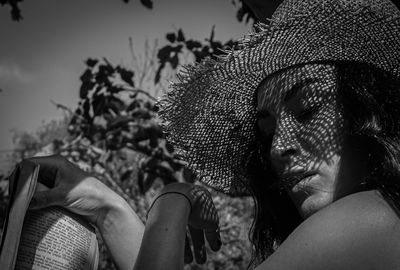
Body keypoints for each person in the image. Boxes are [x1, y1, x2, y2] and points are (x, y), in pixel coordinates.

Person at [25, 0, 400, 269]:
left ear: (367, 111)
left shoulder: (371, 215)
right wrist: (110, 209)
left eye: (308, 109)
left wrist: (172, 198)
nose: (278, 147)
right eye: (266, 131)